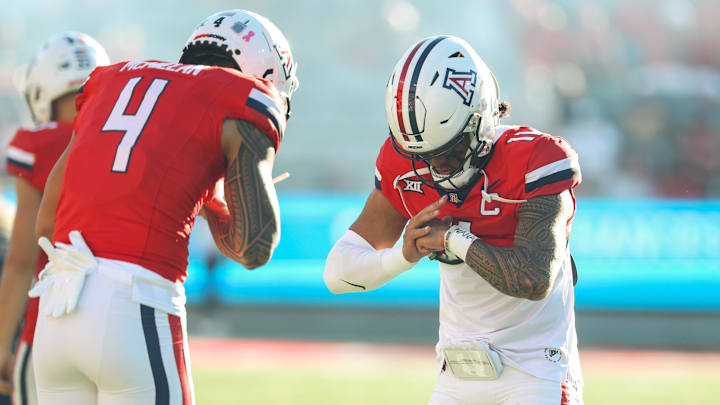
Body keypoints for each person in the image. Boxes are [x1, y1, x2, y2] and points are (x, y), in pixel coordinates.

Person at [31, 9, 298, 405]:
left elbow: (47, 218)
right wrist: (214, 202)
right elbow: (256, 245)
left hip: (56, 310)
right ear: (266, 73)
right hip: (132, 302)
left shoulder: (112, 80)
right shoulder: (243, 95)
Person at [324, 35, 583, 404]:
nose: (435, 168)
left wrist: (452, 240)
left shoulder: (535, 158)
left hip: (537, 370)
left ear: (480, 119)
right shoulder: (404, 167)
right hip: (457, 372)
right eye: (424, 156)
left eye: (447, 152)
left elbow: (533, 278)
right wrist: (404, 255)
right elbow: (337, 274)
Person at [0, 32, 109, 405]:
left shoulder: (38, 142)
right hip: (123, 317)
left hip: (51, 321)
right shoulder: (130, 140)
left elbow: (20, 261)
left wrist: (0, 344)